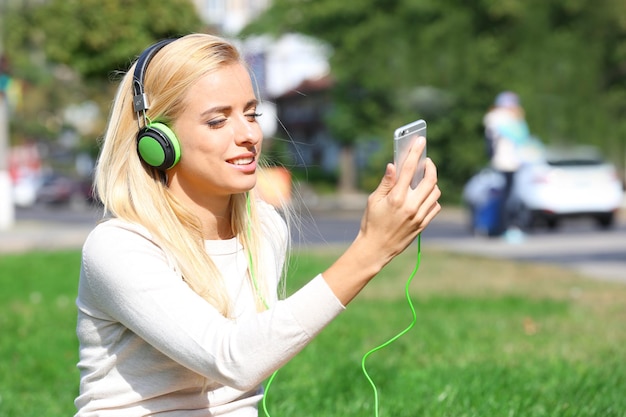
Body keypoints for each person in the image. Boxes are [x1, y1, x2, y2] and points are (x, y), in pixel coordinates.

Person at [74, 33, 441, 416]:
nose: (249, 135)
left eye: (251, 114)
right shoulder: (118, 247)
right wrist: (371, 249)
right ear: (157, 140)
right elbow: (232, 359)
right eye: (218, 120)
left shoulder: (264, 228)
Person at [483, 91, 531, 241]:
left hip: (509, 162)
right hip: (506, 162)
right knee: (507, 198)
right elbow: (521, 136)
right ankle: (506, 228)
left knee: (506, 196)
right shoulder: (501, 118)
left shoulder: (498, 118)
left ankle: (505, 227)